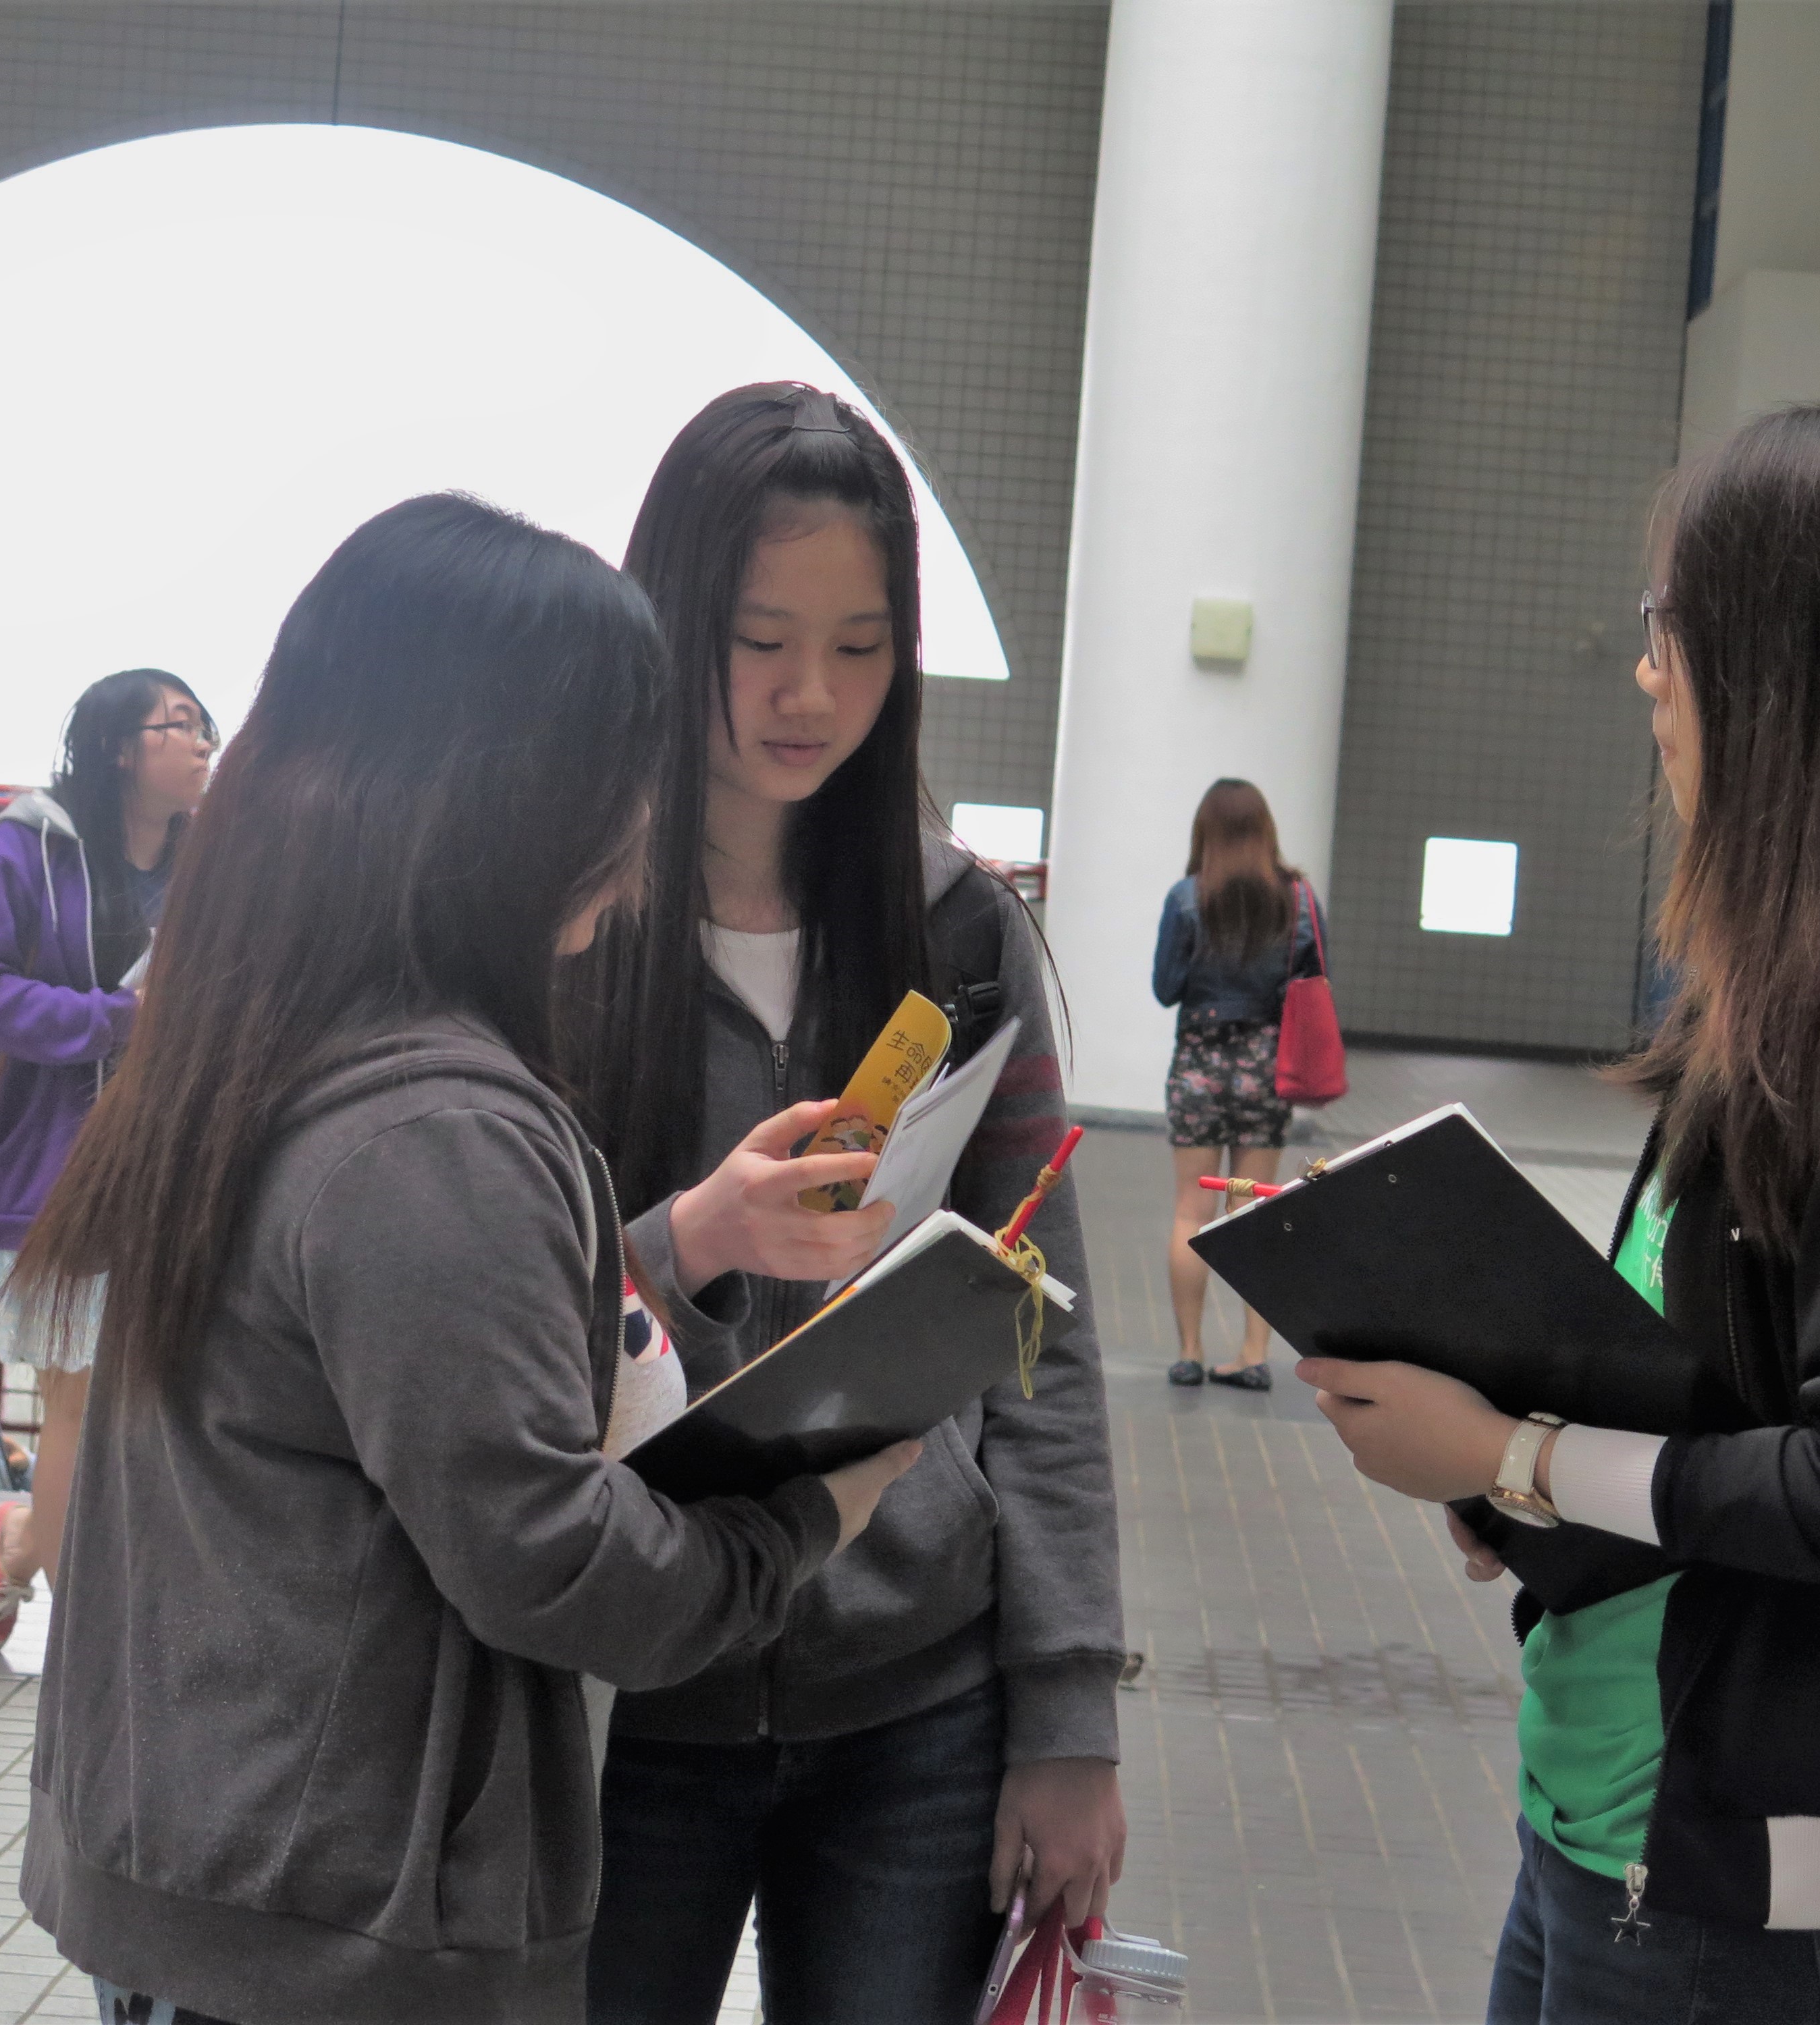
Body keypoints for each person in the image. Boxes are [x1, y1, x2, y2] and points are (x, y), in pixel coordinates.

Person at [14, 492, 918, 2025]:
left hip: (191, 1871)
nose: (647, 821)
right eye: (623, 768)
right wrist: (813, 1513)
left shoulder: (254, 1033)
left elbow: (360, 1366)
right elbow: (550, 1559)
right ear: (518, 791)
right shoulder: (433, 1128)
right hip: (334, 1938)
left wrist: (674, 1238)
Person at [1300, 406, 1820, 2024]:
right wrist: (1531, 1497)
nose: (1648, 673)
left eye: (1677, 628)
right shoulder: (1783, 1006)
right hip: (1616, 1846)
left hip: (1743, 1915)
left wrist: (1512, 1457)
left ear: (1808, 676)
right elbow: (1731, 1416)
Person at [568, 383, 1126, 2025]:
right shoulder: (562, 924)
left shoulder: (956, 932)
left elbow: (1041, 1339)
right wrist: (693, 1233)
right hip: (625, 1694)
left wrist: (1069, 1714)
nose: (812, 694)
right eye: (759, 638)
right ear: (672, 619)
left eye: (863, 645)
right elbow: (490, 1304)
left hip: (913, 1700)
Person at [0, 668, 213, 1650]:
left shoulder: (209, 859)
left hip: (175, 1164)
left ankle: (22, 1545)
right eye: (172, 725)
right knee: (78, 1392)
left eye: (200, 725)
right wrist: (114, 1022)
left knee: (129, 1396)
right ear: (118, 749)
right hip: (53, 1165)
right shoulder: (29, 845)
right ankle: (92, 1637)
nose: (196, 742)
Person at [1152, 778, 1322, 1391]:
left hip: (1198, 1067)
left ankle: (1190, 1354)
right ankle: (1253, 1356)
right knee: (1254, 1213)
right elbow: (1315, 978)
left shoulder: (1186, 897)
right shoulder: (1297, 899)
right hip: (1265, 1069)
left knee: (1190, 1214)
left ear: (1206, 833)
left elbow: (1166, 987)